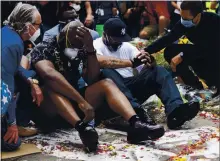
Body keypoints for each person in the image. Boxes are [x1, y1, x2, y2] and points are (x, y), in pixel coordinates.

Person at [30, 20, 165, 151]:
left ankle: (135, 123)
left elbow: (92, 78)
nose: (75, 50)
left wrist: (90, 51)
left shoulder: (81, 48)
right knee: (52, 87)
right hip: (49, 109)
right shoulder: (44, 47)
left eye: (79, 46)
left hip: (75, 104)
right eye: (73, 46)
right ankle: (83, 130)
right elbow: (49, 75)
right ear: (64, 36)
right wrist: (81, 101)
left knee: (106, 83)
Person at [93, 17, 200, 130]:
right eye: (115, 39)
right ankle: (136, 113)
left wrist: (149, 61)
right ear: (105, 34)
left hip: (131, 88)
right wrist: (130, 63)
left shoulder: (127, 46)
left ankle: (175, 112)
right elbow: (101, 62)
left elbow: (142, 66)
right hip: (112, 95)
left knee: (158, 70)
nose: (118, 42)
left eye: (121, 39)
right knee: (107, 72)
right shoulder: (96, 45)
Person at [144, 1, 220, 93]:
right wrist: (146, 51)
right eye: (181, 17)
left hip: (215, 55)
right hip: (199, 53)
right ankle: (195, 86)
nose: (183, 20)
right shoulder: (184, 23)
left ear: (198, 15)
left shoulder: (214, 21)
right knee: (170, 51)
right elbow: (168, 38)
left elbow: (210, 48)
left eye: (186, 18)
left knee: (214, 80)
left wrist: (182, 55)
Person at [1, 3, 43, 151]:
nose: (38, 29)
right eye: (37, 25)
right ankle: (13, 123)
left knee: (31, 75)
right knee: (12, 143)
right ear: (27, 25)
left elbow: (13, 67)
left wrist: (32, 82)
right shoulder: (13, 43)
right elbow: (6, 87)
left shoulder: (7, 32)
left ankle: (17, 122)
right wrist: (11, 123)